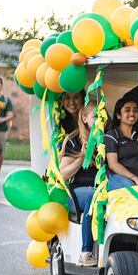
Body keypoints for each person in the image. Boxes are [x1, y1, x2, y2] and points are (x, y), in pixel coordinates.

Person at [59, 100, 100, 266]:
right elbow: (63, 174)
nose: (100, 120)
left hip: (103, 187)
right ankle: (86, 252)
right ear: (84, 118)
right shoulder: (74, 140)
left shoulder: (108, 138)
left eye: (102, 116)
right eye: (96, 116)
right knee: (93, 196)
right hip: (78, 191)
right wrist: (82, 157)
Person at [106, 97, 138, 189]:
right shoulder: (112, 134)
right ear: (118, 115)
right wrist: (134, 178)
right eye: (127, 110)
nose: (132, 113)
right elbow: (113, 164)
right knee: (131, 190)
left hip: (137, 177)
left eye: (135, 110)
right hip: (117, 177)